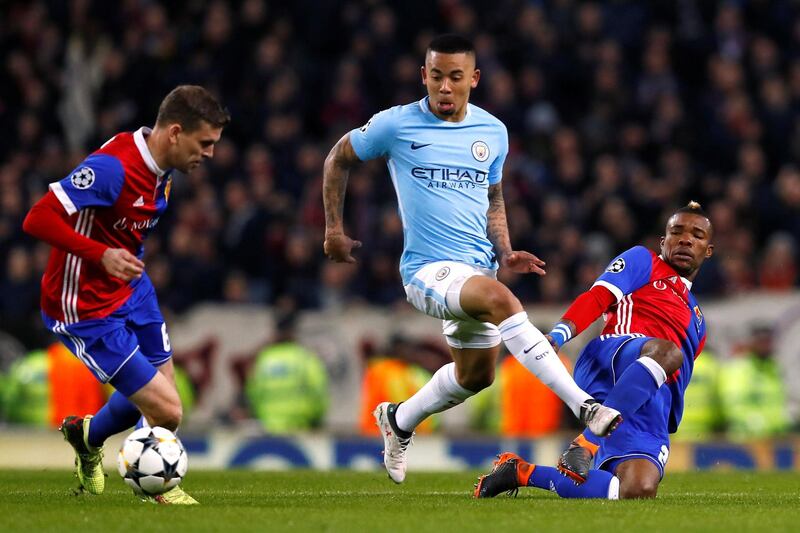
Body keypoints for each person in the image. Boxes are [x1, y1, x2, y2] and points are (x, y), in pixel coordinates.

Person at [322, 34, 620, 484]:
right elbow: (336, 158)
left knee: (476, 375)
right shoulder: (396, 125)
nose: (444, 87)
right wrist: (333, 229)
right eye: (436, 76)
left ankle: (400, 419)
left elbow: (493, 196)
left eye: (455, 77)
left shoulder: (492, 132)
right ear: (424, 76)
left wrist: (506, 249)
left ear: (473, 79)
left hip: (476, 269)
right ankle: (585, 406)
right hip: (425, 271)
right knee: (500, 300)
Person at [22, 85, 229, 504]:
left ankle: (91, 438)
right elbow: (36, 218)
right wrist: (101, 255)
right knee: (168, 410)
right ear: (175, 132)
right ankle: (150, 483)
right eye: (204, 143)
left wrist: (119, 261)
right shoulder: (113, 168)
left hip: (132, 288)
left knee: (162, 400)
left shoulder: (163, 169)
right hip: (84, 307)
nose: (209, 154)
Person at [475, 202, 714, 500]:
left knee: (636, 490)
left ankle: (519, 472)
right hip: (614, 358)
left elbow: (678, 376)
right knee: (668, 352)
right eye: (676, 232)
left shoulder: (699, 321)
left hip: (647, 399)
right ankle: (585, 444)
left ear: (708, 250)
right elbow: (598, 297)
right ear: (663, 241)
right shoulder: (644, 261)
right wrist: (558, 336)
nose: (686, 239)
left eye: (697, 235)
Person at [719, 324, 790, 440]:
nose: (765, 345)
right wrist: (756, 422)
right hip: (745, 441)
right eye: (761, 341)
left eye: (768, 341)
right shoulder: (738, 367)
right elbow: (733, 406)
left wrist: (782, 422)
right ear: (751, 343)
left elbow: (778, 403)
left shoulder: (774, 368)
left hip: (774, 439)